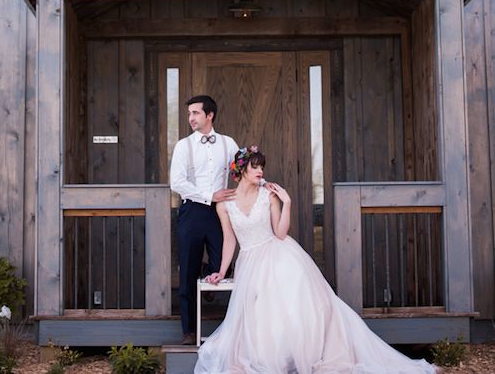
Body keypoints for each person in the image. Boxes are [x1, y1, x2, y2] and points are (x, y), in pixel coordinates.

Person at [195, 146, 437, 374]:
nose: (261, 171)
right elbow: (229, 240)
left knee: (300, 299)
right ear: (241, 170)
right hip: (250, 260)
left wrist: (287, 202)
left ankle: (308, 351)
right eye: (255, 167)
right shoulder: (224, 204)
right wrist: (221, 271)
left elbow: (280, 233)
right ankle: (277, 356)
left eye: (262, 167)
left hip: (278, 252)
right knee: (262, 313)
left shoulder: (267, 195)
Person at [170, 95, 239, 345]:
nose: (191, 118)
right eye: (189, 114)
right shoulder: (183, 146)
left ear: (210, 115)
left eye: (196, 113)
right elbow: (177, 183)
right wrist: (209, 195)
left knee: (223, 262)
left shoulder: (228, 143)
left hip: (219, 212)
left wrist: (261, 186)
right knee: (187, 271)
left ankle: (209, 272)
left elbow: (242, 170)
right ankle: (189, 331)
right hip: (192, 211)